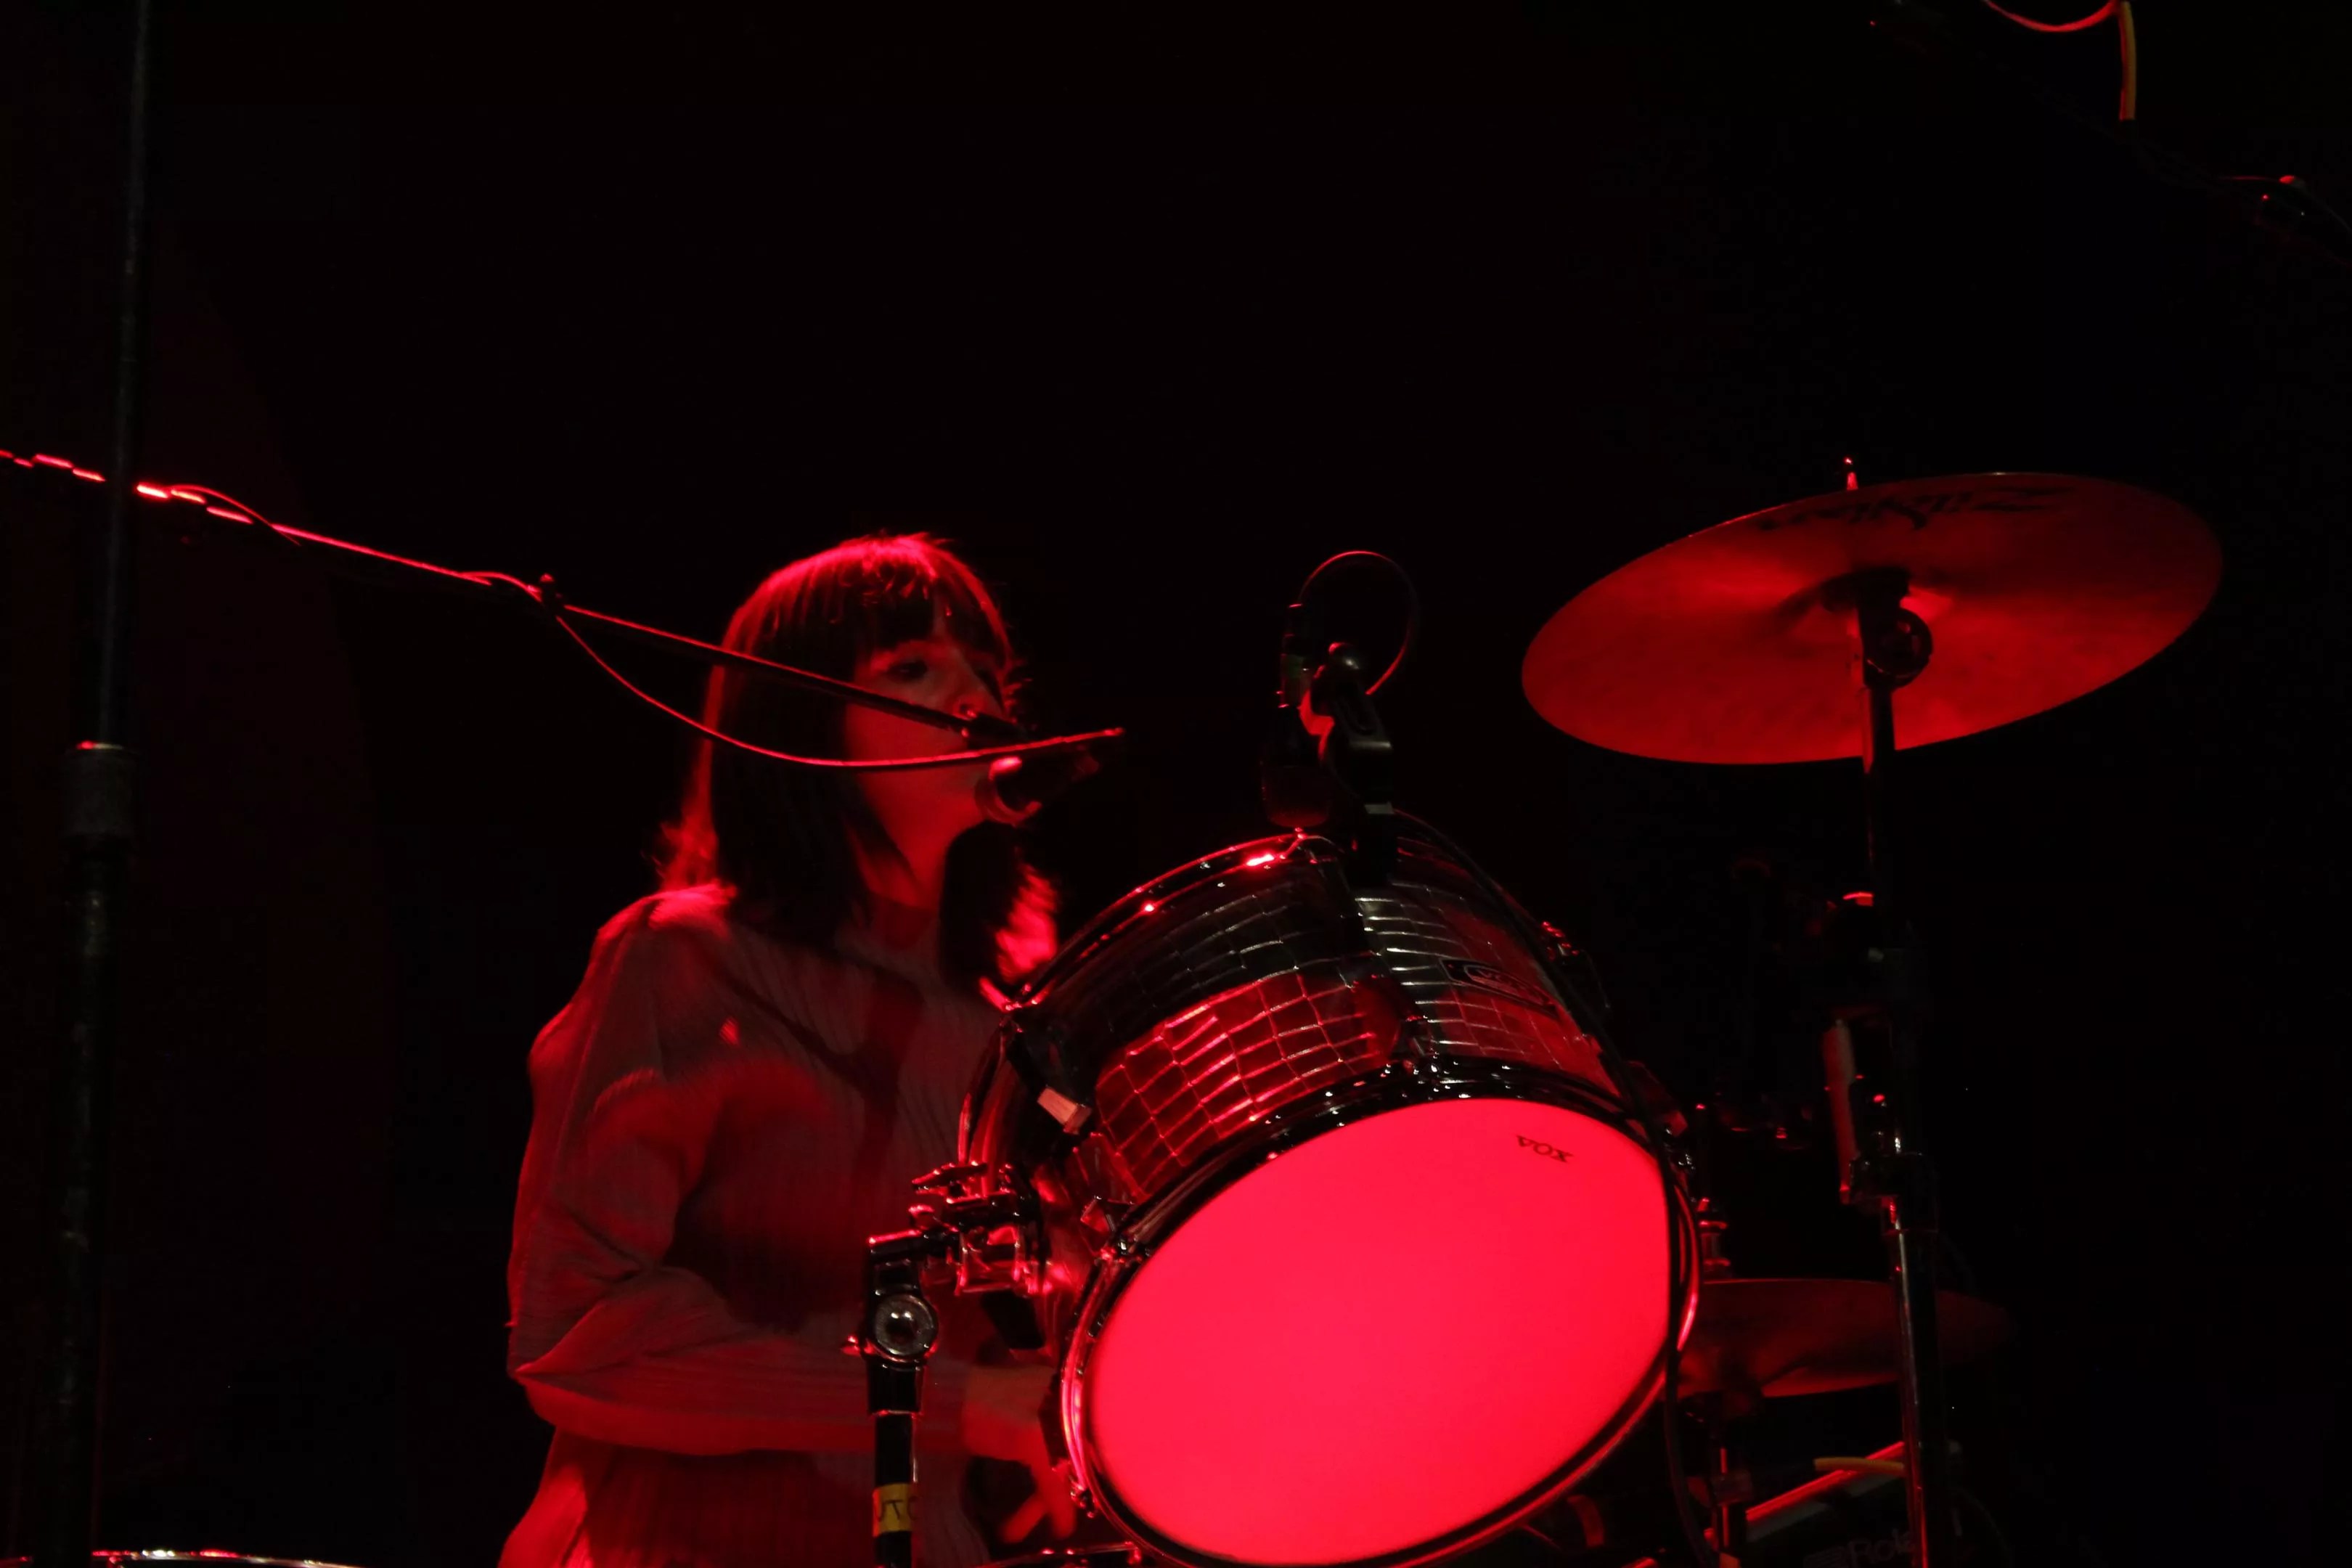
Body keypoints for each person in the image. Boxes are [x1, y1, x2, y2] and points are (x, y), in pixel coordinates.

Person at [499, 535, 1074, 1568]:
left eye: (987, 670)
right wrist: (953, 1400)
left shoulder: (1004, 1032)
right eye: (910, 667)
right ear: (801, 729)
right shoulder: (681, 958)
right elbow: (575, 1328)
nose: (975, 697)